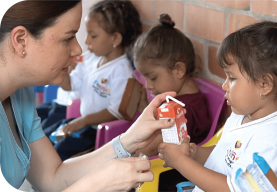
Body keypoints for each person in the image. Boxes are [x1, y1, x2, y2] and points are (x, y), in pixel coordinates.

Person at [0, 0, 178, 191]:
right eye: (68, 38)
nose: (78, 49)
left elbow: (51, 178)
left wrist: (128, 140)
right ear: (21, 40)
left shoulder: (21, 94)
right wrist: (96, 185)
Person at [158, 21, 277, 192]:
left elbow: (234, 189)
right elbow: (224, 156)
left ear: (265, 84)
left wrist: (181, 162)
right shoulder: (243, 115)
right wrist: (192, 154)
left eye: (232, 78)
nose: (224, 86)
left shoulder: (272, 142)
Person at [44, 0, 142, 160]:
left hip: (96, 132)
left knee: (58, 153)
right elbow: (71, 85)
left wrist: (83, 121)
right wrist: (60, 69)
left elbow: (116, 111)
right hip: (81, 123)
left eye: (93, 35)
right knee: (45, 141)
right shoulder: (90, 59)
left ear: (115, 39)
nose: (87, 41)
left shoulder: (122, 72)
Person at [132, 13, 211, 191]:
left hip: (171, 180)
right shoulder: (177, 100)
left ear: (178, 70)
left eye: (152, 77)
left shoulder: (185, 111)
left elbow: (149, 148)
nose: (147, 85)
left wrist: (119, 153)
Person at [36, 62, 80, 128]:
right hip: (55, 103)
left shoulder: (88, 64)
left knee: (41, 130)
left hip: (66, 108)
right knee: (26, 117)